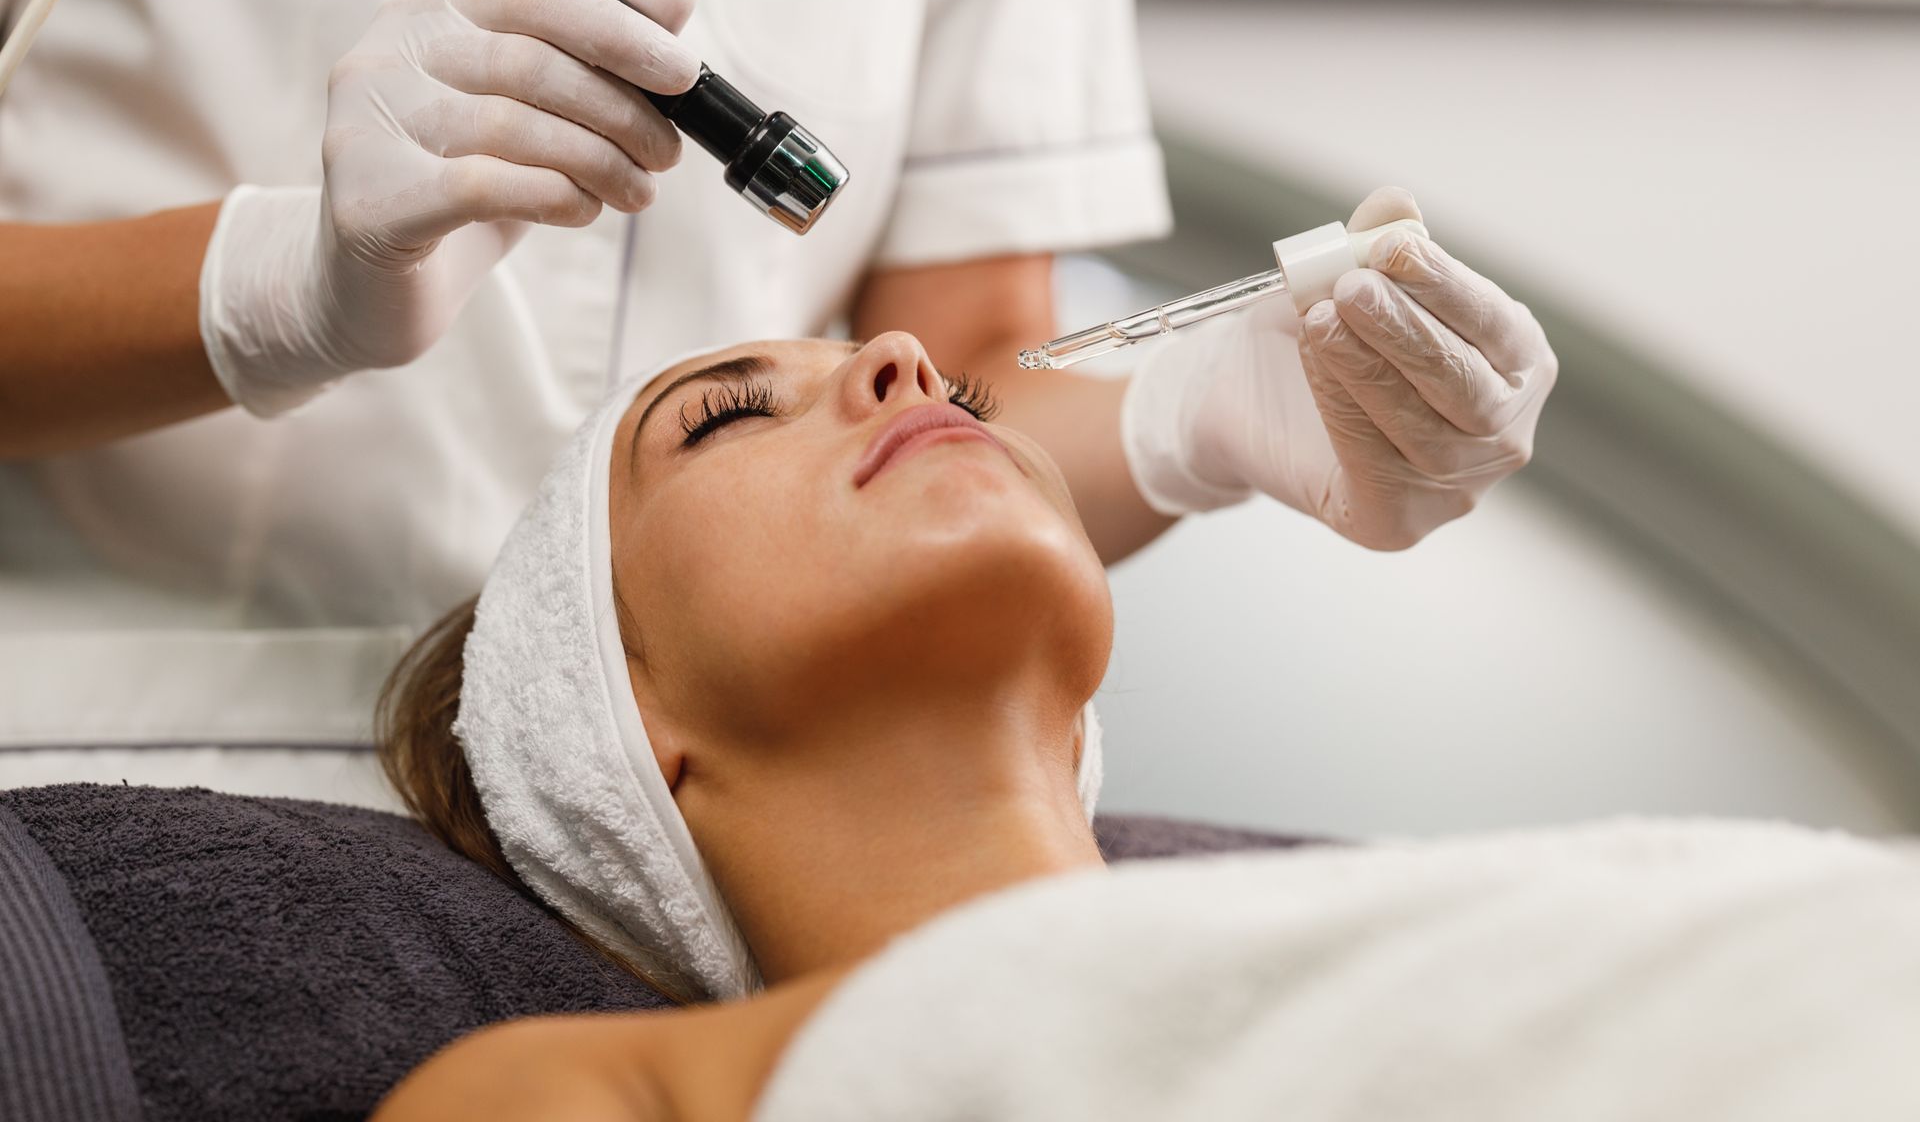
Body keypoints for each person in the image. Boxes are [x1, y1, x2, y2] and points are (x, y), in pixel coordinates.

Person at [0, 0, 1551, 805]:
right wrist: (282, 288)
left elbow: (964, 372)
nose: (884, 382)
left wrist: (1196, 417)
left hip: (701, 820)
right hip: (124, 753)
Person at [368, 332, 1917, 1121]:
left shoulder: (1479, 913)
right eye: (726, 415)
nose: (909, 366)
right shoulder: (586, 1089)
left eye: (967, 397)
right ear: (624, 725)